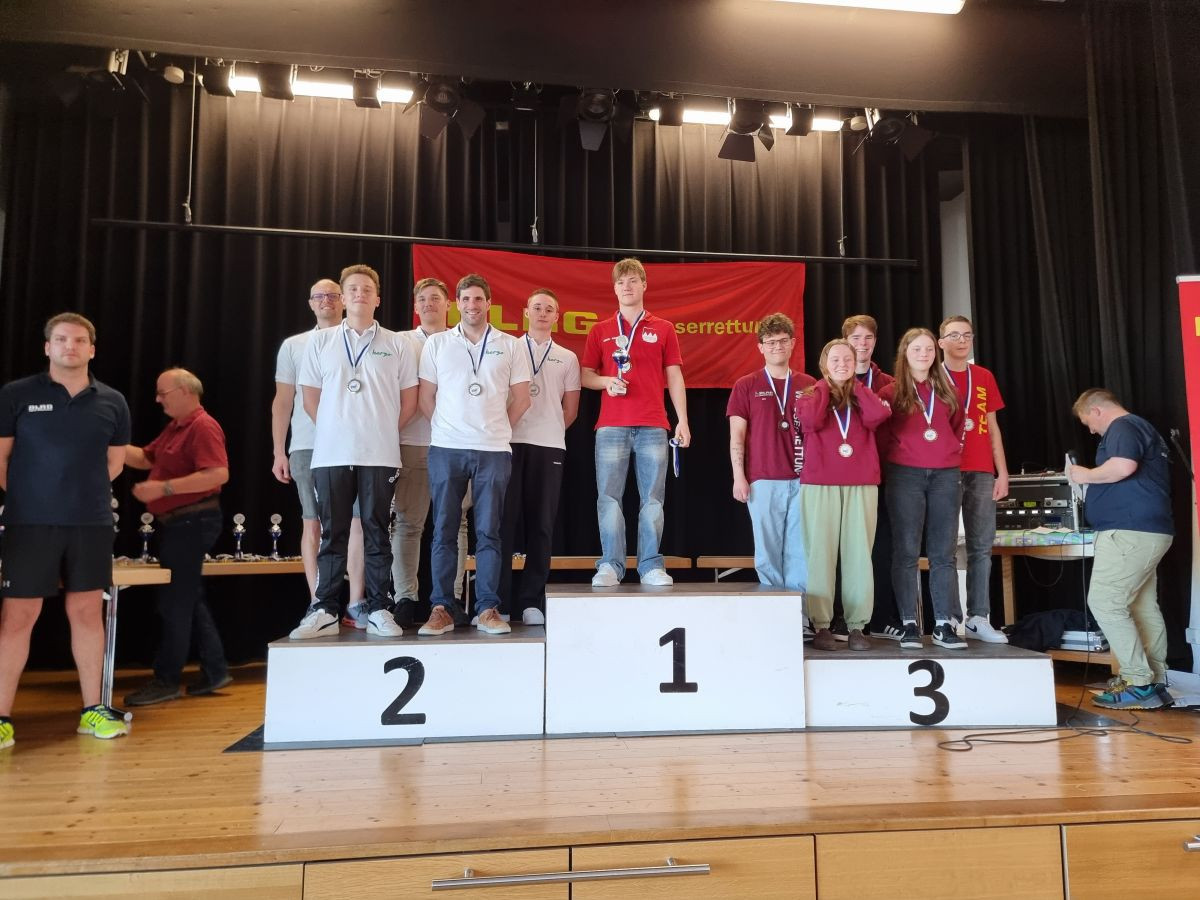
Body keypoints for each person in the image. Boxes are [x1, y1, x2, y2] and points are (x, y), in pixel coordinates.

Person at [0, 313, 131, 746]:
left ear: (91, 349)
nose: (69, 346)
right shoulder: (16, 394)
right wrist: (37, 497)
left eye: (78, 340)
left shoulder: (112, 401)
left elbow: (114, 463)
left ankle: (93, 711)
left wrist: (76, 495)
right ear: (48, 347)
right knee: (18, 617)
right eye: (60, 339)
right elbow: (2, 460)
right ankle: (1, 718)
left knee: (87, 613)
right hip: (29, 523)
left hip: (90, 523)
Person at [289, 264, 419, 639]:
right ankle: (325, 610)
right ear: (343, 298)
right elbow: (309, 398)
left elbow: (409, 401)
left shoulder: (398, 344)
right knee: (333, 533)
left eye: (367, 289)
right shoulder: (320, 343)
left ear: (377, 299)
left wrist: (381, 431)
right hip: (331, 454)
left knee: (377, 532)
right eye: (353, 289)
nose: (360, 294)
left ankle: (378, 608)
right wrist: (337, 430)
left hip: (380, 454)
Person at [418, 273, 531, 636]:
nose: (472, 305)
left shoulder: (510, 345)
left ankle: (487, 609)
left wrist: (495, 428)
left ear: (488, 303)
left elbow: (522, 398)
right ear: (457, 304)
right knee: (443, 530)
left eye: (478, 299)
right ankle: (441, 608)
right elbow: (425, 398)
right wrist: (448, 428)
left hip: (493, 449)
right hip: (446, 448)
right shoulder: (437, 344)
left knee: (489, 532)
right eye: (465, 299)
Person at [123, 368, 231, 705]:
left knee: (175, 603)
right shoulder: (176, 427)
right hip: (180, 523)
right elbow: (145, 458)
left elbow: (218, 473)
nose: (157, 399)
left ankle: (166, 680)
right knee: (187, 597)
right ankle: (215, 669)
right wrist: (109, 442)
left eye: (163, 393)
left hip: (193, 522)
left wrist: (164, 488)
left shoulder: (203, 426)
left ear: (186, 391)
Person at [581, 258, 690, 587]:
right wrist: (607, 382)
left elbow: (675, 375)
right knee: (608, 498)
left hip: (653, 424)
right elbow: (585, 375)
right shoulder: (601, 330)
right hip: (611, 426)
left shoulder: (664, 328)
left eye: (632, 281)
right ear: (614, 289)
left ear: (644, 285)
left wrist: (682, 420)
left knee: (653, 499)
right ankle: (610, 565)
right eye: (620, 282)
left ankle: (650, 565)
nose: (626, 287)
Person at [1068, 389, 1174, 710]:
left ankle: (1138, 682)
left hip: (1128, 532)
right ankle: (1154, 680)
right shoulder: (1142, 427)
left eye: (1088, 422)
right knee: (1142, 606)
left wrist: (1085, 474)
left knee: (1104, 601)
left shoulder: (1123, 426)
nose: (1091, 430)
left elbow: (1123, 466)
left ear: (1097, 411)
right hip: (1147, 532)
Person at [270, 278, 366, 625]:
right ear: (311, 303)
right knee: (312, 524)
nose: (326, 300)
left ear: (344, 301)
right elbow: (283, 401)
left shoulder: (362, 340)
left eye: (333, 295)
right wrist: (279, 451)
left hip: (355, 446)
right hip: (308, 445)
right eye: (319, 296)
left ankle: (355, 603)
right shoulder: (294, 346)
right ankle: (318, 604)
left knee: (357, 524)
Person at [796, 339, 891, 651]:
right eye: (835, 359)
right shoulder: (810, 394)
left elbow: (877, 417)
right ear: (824, 364)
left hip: (861, 483)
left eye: (848, 359)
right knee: (820, 554)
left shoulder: (865, 395)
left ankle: (857, 626)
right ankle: (821, 624)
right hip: (819, 483)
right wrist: (828, 385)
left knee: (859, 555)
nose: (842, 364)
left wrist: (856, 387)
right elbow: (810, 421)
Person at [391, 277, 472, 628]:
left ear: (448, 304)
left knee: (456, 523)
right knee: (408, 523)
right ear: (415, 306)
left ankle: (450, 598)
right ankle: (405, 598)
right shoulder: (400, 342)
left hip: (456, 444)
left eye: (435, 298)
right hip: (413, 441)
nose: (429, 304)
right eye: (422, 299)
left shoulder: (464, 341)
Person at [879, 328, 966, 651]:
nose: (924, 354)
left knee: (943, 552)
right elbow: (881, 435)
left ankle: (943, 624)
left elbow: (956, 427)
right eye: (917, 349)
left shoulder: (948, 391)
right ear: (905, 353)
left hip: (945, 475)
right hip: (905, 475)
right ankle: (909, 624)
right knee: (906, 551)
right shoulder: (891, 392)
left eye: (929, 349)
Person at [499, 289, 581, 625]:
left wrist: (549, 429)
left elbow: (570, 410)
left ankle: (531, 601)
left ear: (556, 317)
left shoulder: (568, 357)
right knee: (503, 524)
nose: (543, 313)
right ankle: (498, 603)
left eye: (549, 309)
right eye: (537, 307)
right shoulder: (508, 348)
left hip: (549, 446)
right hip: (507, 442)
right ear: (526, 312)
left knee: (542, 526)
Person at [726, 313, 814, 607]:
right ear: (760, 347)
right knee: (768, 553)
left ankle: (799, 616)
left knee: (800, 552)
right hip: (763, 479)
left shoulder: (809, 384)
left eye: (783, 341)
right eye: (771, 342)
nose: (777, 346)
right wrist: (739, 477)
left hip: (803, 479)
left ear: (793, 344)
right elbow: (737, 435)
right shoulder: (746, 385)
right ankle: (774, 613)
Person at [939, 315, 1010, 643]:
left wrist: (1002, 472)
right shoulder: (933, 377)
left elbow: (992, 427)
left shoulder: (983, 376)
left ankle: (978, 617)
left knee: (981, 546)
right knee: (946, 548)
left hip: (981, 470)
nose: (962, 341)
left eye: (967, 335)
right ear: (941, 342)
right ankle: (951, 618)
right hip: (944, 470)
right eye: (954, 335)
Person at [843, 314, 899, 643]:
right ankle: (844, 619)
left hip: (883, 478)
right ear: (845, 342)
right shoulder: (834, 379)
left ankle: (881, 618)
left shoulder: (890, 383)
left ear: (875, 342)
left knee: (882, 549)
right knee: (847, 549)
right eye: (855, 338)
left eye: (867, 338)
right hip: (845, 478)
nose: (862, 344)